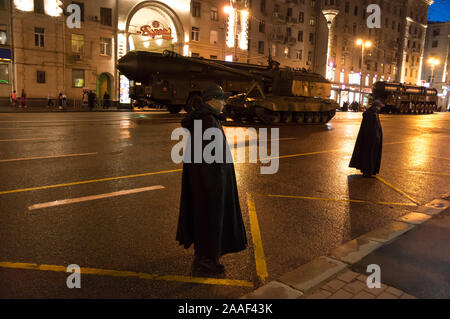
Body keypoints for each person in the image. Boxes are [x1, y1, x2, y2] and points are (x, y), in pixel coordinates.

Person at [176, 85, 247, 274]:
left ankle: (205, 258)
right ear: (212, 100)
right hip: (210, 185)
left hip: (205, 183)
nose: (224, 102)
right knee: (210, 221)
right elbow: (210, 160)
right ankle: (205, 262)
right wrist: (215, 189)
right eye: (222, 99)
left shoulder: (206, 118)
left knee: (205, 221)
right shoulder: (208, 120)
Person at [349, 91, 384, 177]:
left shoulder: (370, 113)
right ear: (376, 107)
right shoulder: (373, 115)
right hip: (371, 140)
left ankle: (366, 171)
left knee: (366, 155)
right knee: (370, 156)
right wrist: (376, 138)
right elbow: (373, 129)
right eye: (379, 107)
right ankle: (368, 172)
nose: (380, 109)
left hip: (367, 140)